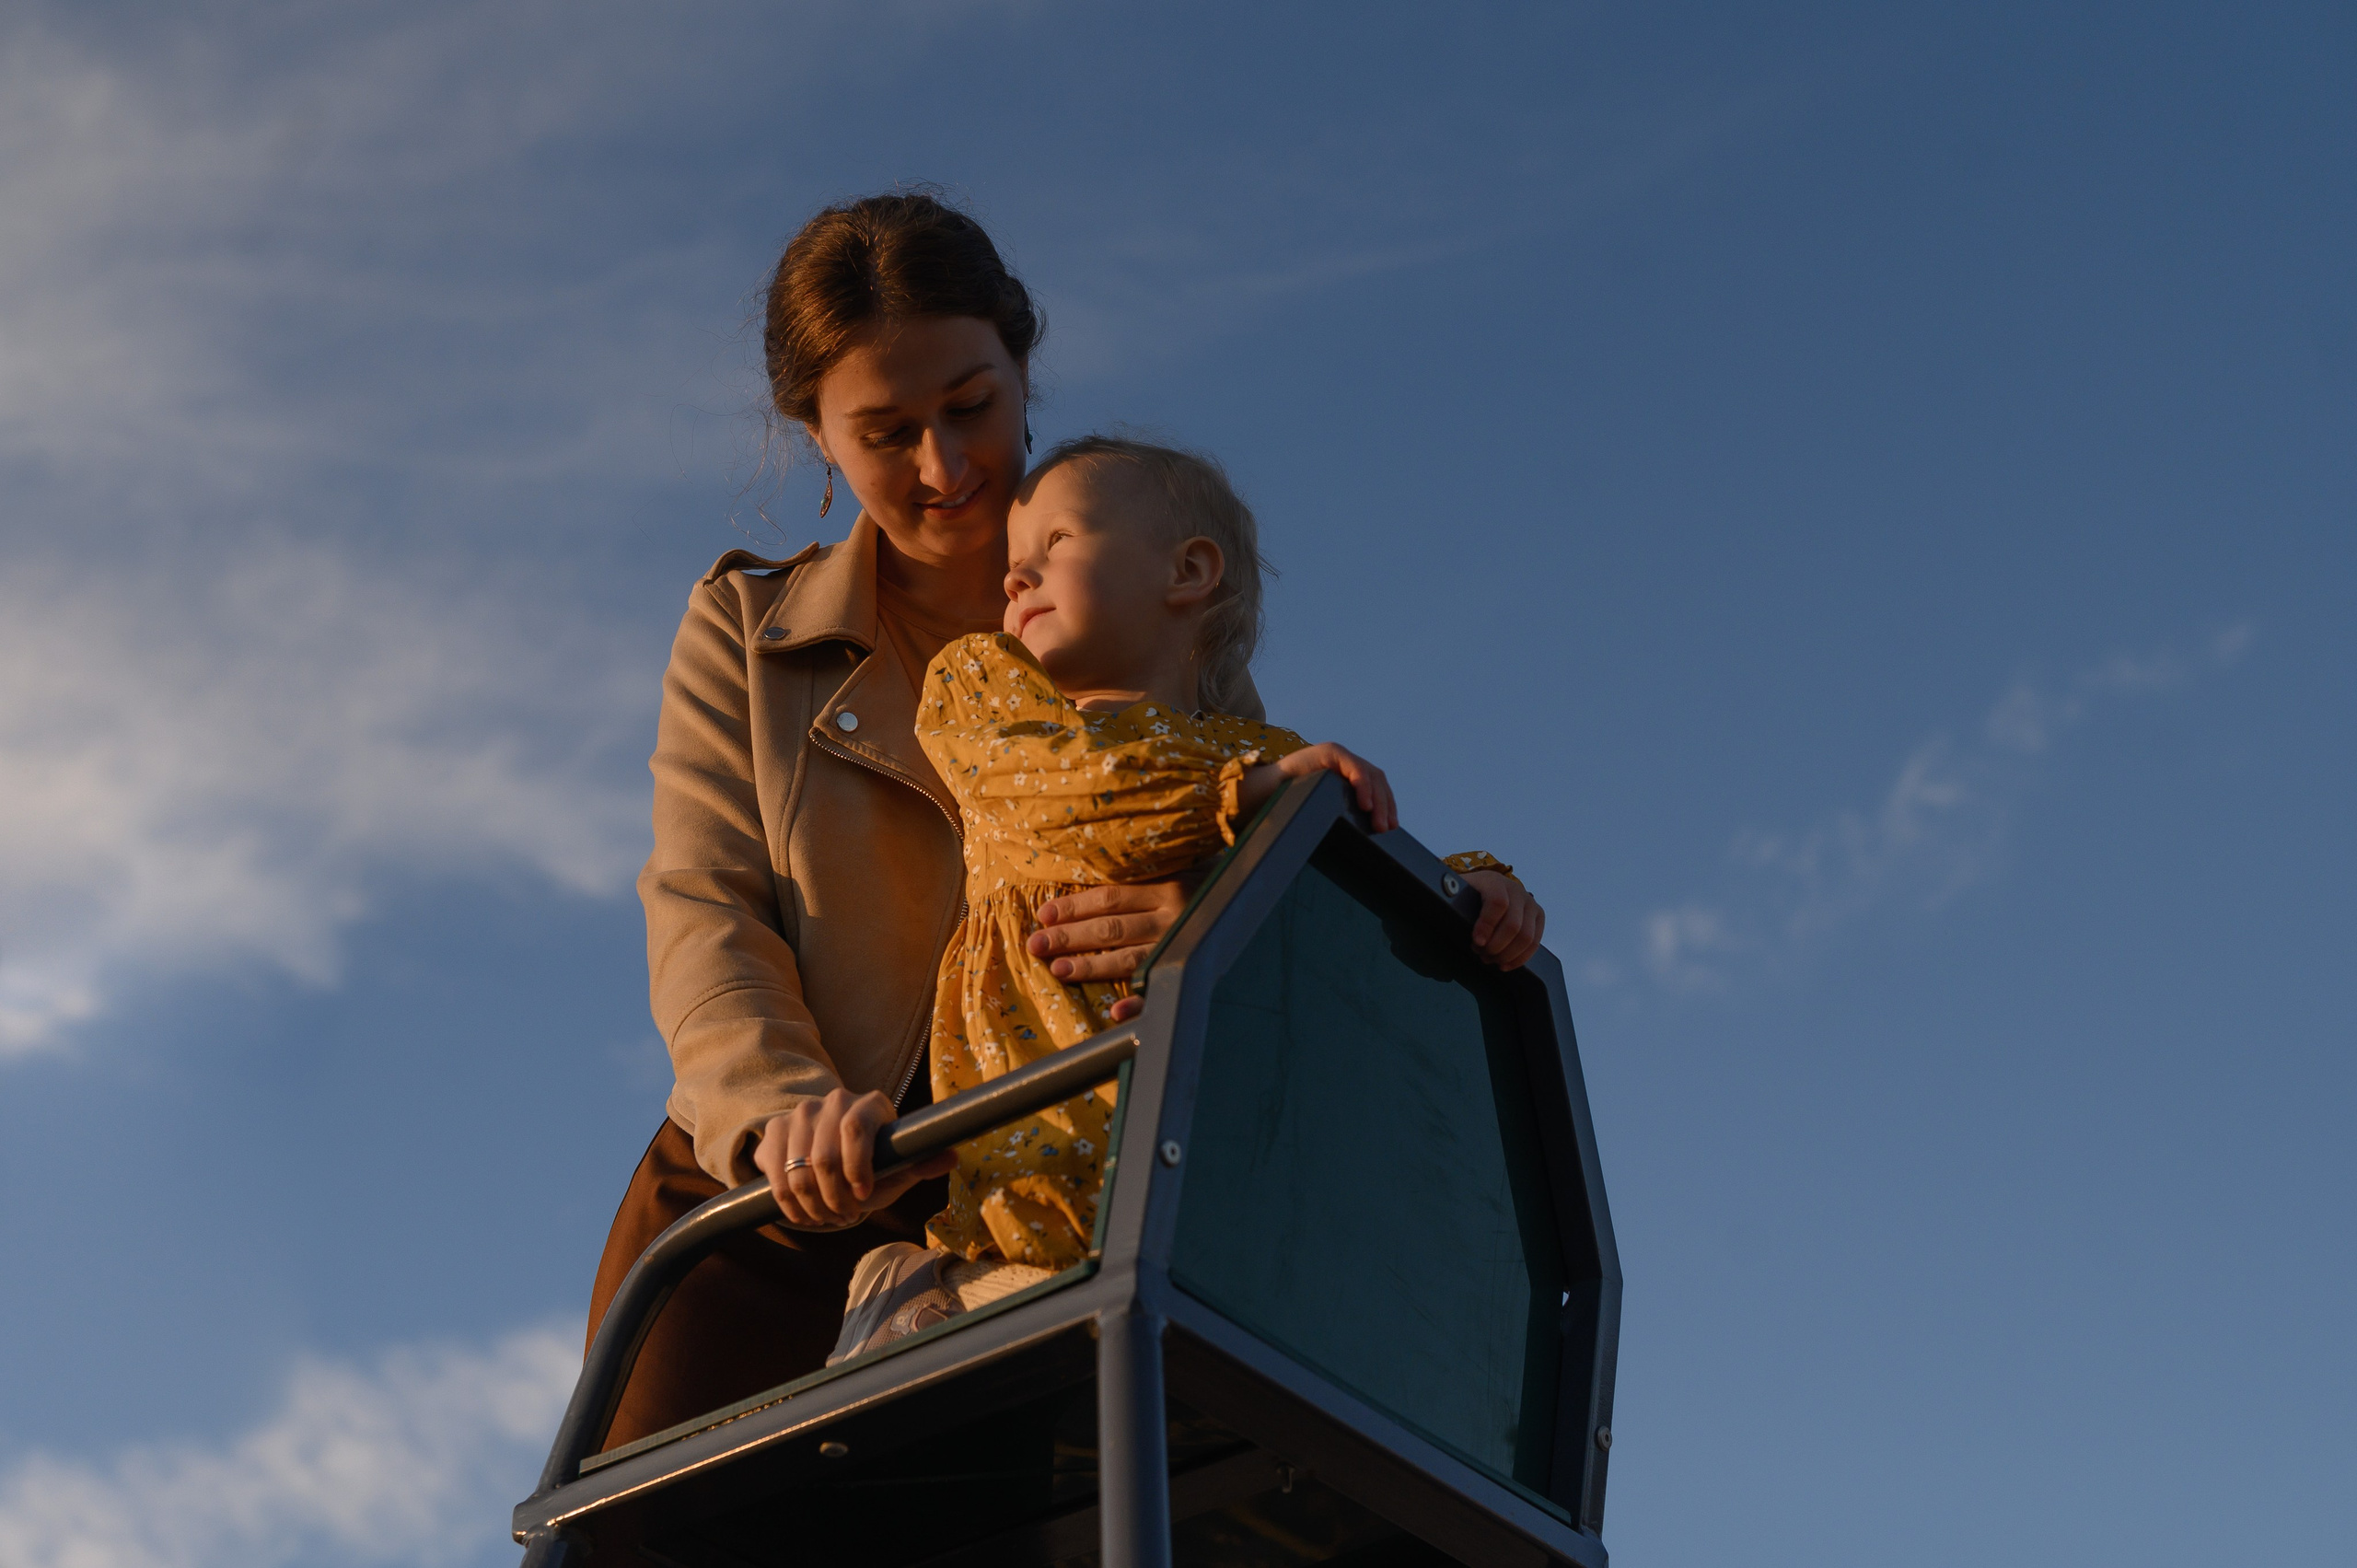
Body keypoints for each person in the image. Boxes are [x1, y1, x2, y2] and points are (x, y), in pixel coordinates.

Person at [585, 192, 1546, 1448]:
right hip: (796, 1181)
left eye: (971, 405)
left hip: (1072, 1176)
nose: (946, 464)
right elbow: (707, 906)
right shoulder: (747, 636)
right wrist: (784, 1116)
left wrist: (1204, 919)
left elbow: (1275, 836)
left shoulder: (1129, 594)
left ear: (1022, 365)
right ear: (816, 437)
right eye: (885, 432)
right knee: (642, 1509)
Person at [825, 436, 1537, 1363]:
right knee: (1077, 1257)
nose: (1014, 578)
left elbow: (1349, 905)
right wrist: (1243, 796)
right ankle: (929, 1292)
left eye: (1055, 543)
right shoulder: (984, 691)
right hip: (1047, 1167)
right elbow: (1080, 793)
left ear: (1189, 570)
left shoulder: (1264, 752)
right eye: (1010, 563)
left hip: (1213, 1186)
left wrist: (1470, 888)